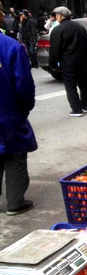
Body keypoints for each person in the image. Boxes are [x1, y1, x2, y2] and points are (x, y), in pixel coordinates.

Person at [0, 31, 37, 215]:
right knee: (15, 156)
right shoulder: (10, 47)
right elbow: (24, 84)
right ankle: (15, 202)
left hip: (8, 112)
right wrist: (24, 109)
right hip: (8, 113)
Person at [49, 6, 87, 117]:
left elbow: (55, 49)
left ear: (61, 16)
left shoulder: (57, 30)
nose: (56, 17)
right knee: (84, 84)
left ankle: (76, 109)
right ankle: (85, 106)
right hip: (83, 61)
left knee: (70, 85)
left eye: (57, 15)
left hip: (68, 61)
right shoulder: (80, 27)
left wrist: (53, 63)